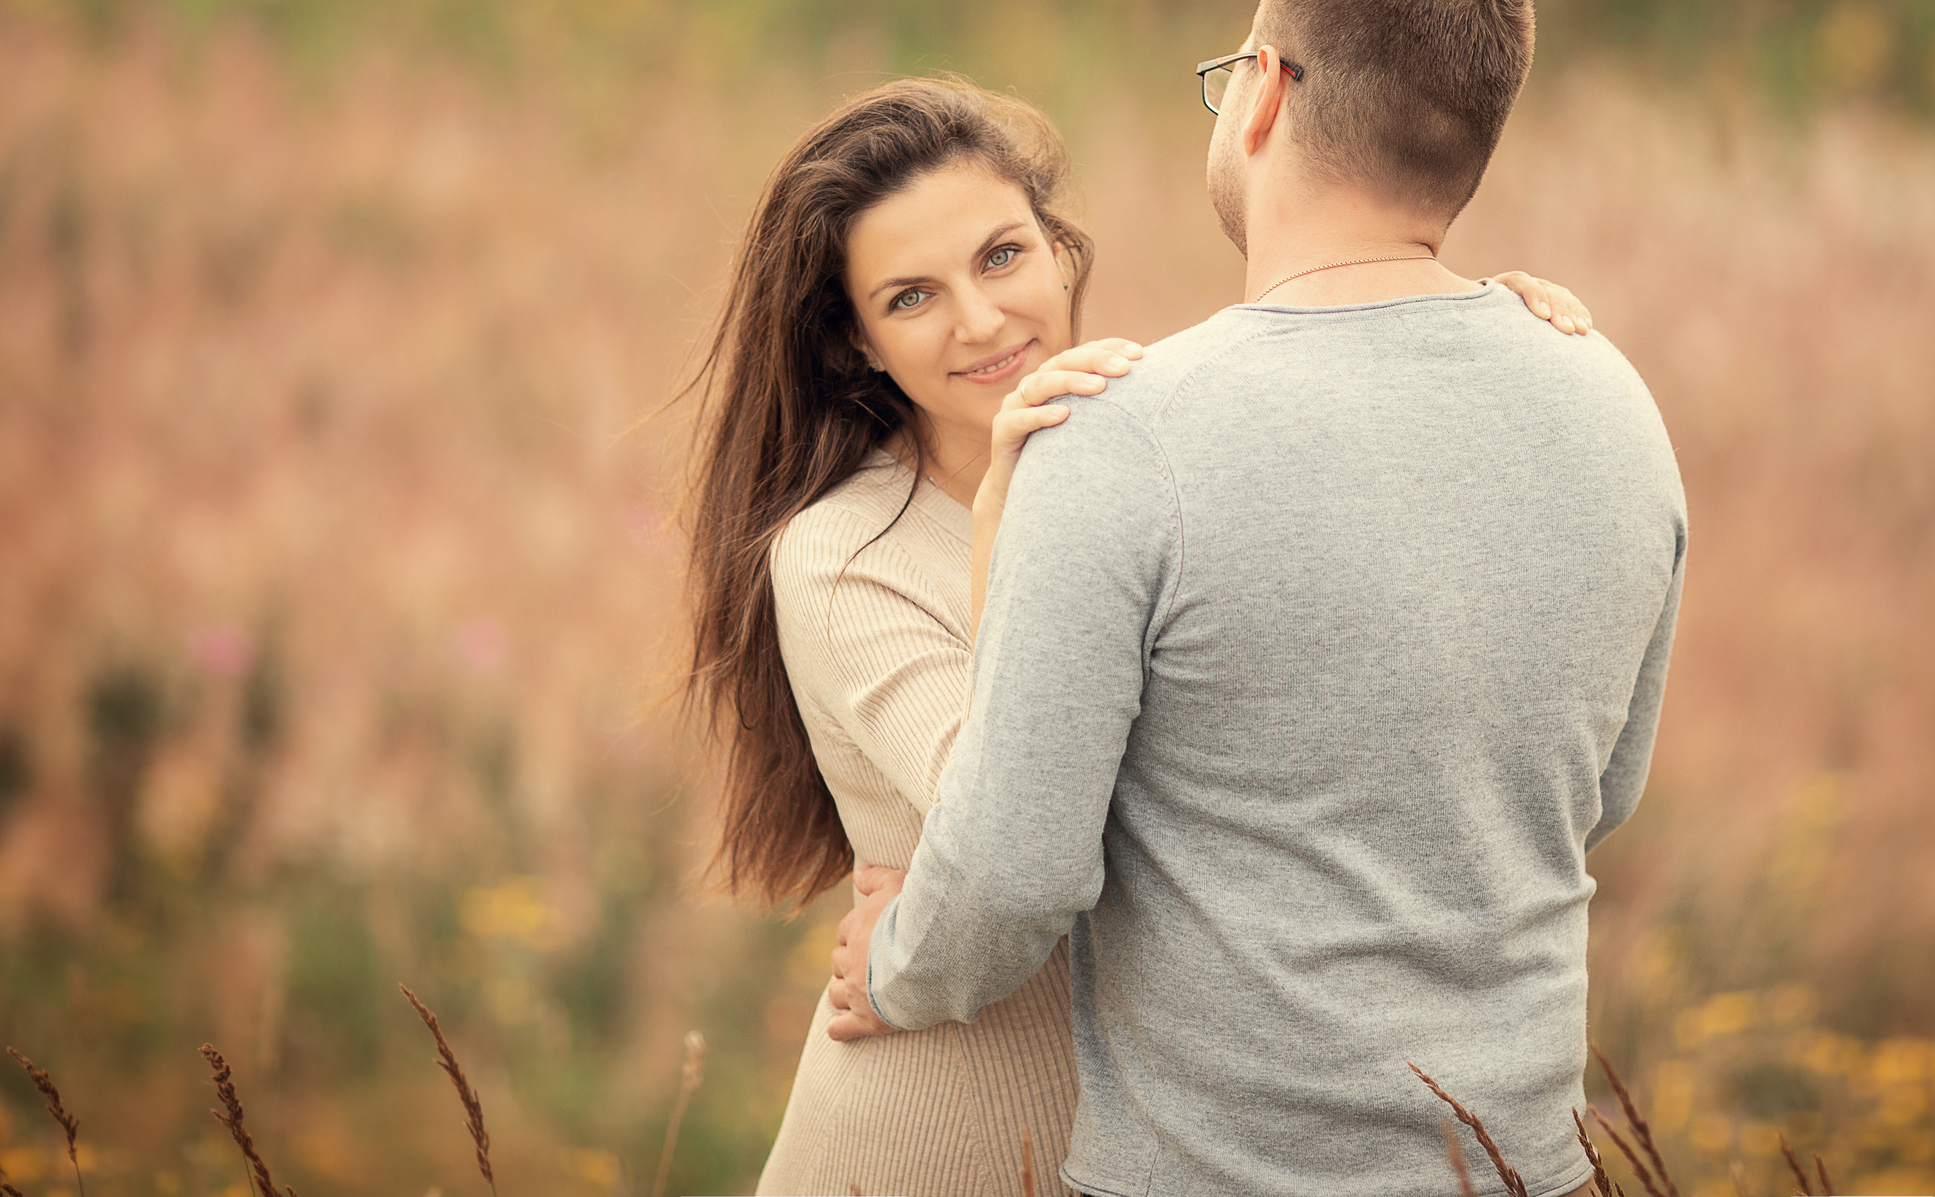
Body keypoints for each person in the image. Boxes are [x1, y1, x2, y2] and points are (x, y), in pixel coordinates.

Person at [823, 0, 1686, 1197]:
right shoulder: (1613, 398)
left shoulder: (1117, 437)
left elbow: (1016, 865)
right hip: (1527, 1169)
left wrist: (899, 962)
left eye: (1231, 76)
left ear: (1266, 94)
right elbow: (1603, 792)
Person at [679, 71, 1594, 1196]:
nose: (981, 319)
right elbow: (1010, 809)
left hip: (1143, 1149)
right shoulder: (839, 555)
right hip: (927, 1140)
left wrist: (1475, 326)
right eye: (909, 298)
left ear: (1060, 251)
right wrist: (1009, 512)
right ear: (854, 343)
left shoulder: (1155, 451)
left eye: (1002, 256)